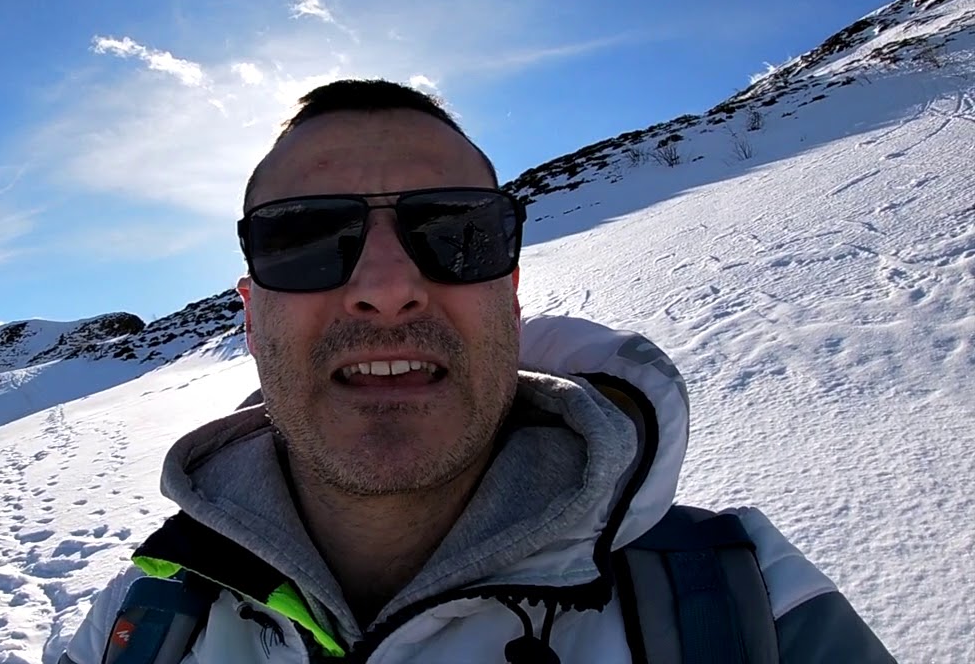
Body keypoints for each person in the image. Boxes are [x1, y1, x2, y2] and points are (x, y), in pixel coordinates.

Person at [60, 79, 893, 663]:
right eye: (306, 238)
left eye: (456, 233)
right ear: (249, 316)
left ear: (513, 294)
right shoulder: (140, 623)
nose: (386, 290)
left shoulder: (746, 604)